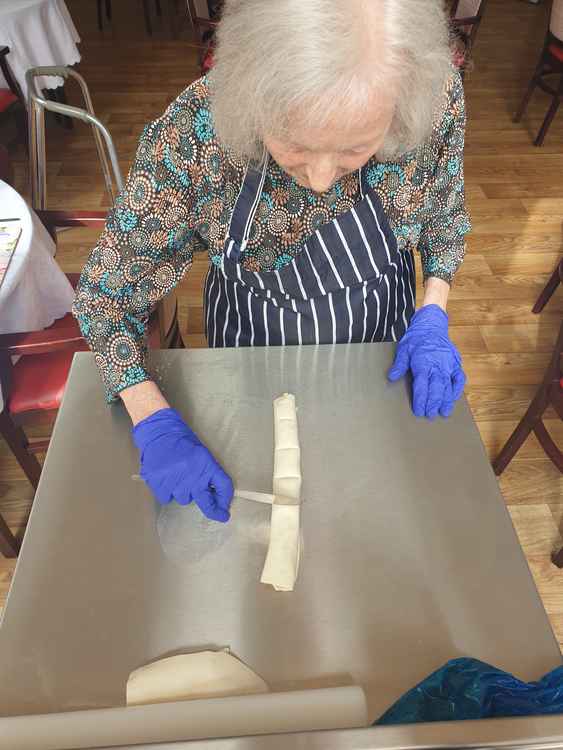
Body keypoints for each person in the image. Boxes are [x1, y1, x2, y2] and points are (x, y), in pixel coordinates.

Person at [73, 0, 471, 523]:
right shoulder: (197, 136)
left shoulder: (430, 97)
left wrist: (434, 311)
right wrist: (152, 417)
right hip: (251, 352)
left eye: (355, 150)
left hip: (383, 349)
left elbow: (444, 214)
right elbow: (105, 298)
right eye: (297, 147)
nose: (323, 177)